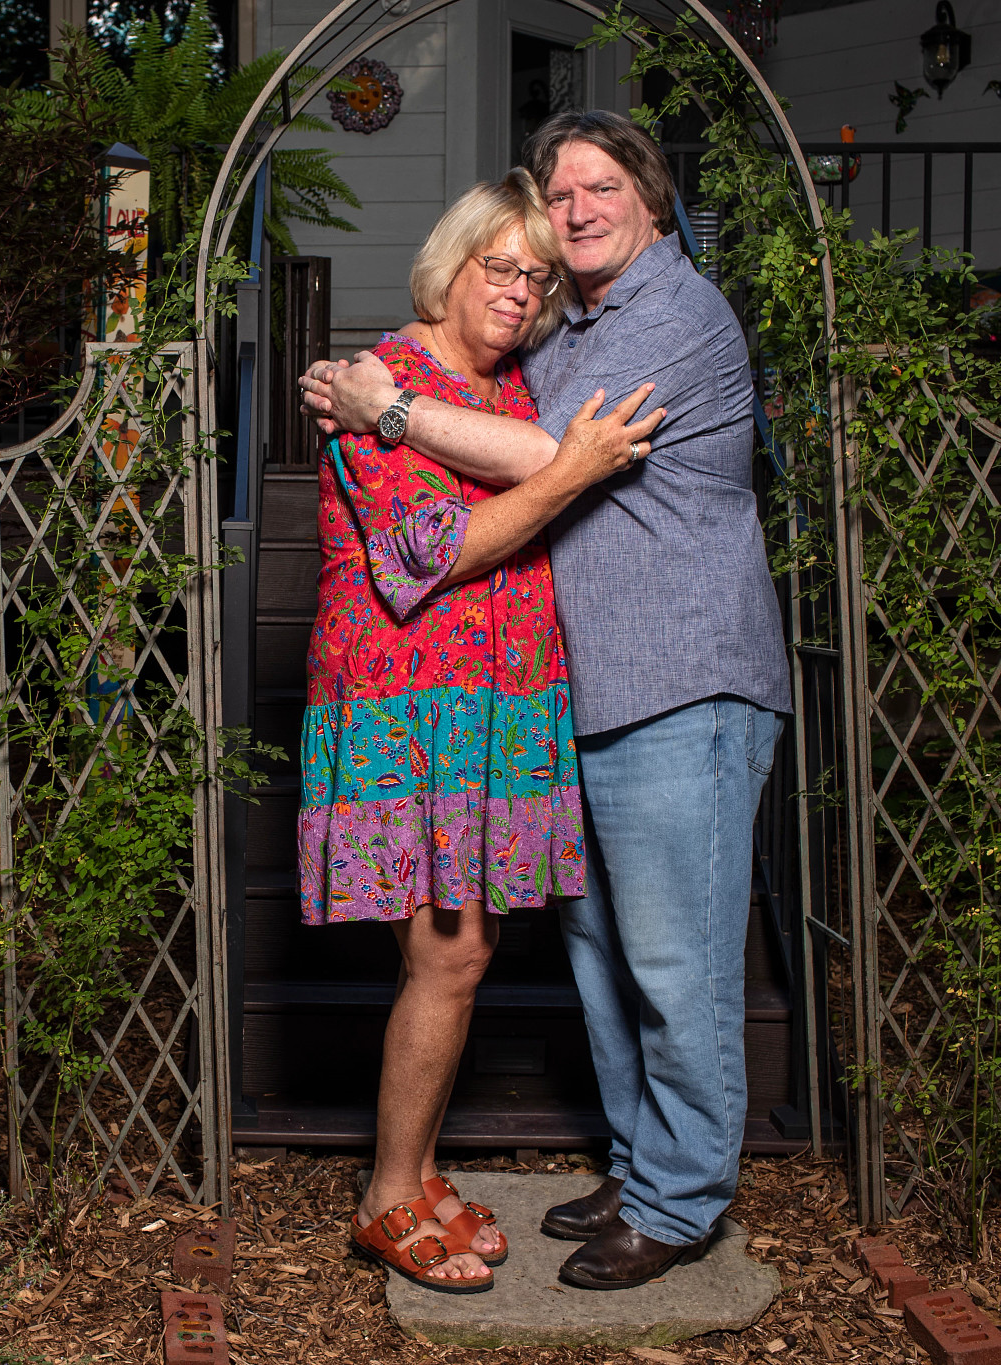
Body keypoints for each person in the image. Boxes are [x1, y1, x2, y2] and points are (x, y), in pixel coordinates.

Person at [302, 110, 789, 1292]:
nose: (571, 214)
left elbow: (554, 456)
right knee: (608, 966)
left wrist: (393, 409)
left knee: (676, 969)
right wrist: (385, 392)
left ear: (651, 198)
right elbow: (515, 427)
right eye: (552, 196)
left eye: (599, 187)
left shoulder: (673, 315)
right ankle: (637, 1163)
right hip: (557, 705)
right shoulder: (569, 328)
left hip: (682, 685)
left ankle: (677, 1202)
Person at [306, 167, 664, 1294]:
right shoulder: (379, 377)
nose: (518, 289)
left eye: (537, 274)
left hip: (497, 705)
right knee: (448, 953)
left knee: (464, 953)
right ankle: (385, 1197)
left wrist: (559, 458)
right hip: (405, 707)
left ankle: (408, 1178)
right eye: (497, 265)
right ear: (450, 265)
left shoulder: (507, 390)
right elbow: (431, 555)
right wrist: (574, 473)